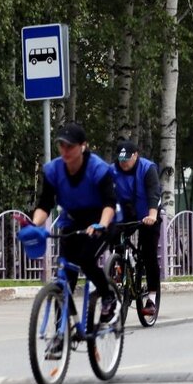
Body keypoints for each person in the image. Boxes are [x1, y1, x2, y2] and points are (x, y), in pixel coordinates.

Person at [27, 122, 119, 355]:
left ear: (83, 146)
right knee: (64, 278)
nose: (65, 151)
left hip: (100, 221)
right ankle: (60, 335)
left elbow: (109, 204)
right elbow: (44, 204)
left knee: (86, 260)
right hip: (72, 222)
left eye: (70, 146)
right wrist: (33, 225)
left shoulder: (99, 169)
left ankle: (109, 297)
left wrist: (100, 224)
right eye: (61, 145)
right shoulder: (53, 170)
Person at [112, 139, 162, 316]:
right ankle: (118, 268)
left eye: (127, 159)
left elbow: (154, 193)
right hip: (126, 214)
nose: (123, 163)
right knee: (112, 234)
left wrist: (153, 216)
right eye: (121, 159)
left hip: (148, 213)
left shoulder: (148, 169)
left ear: (136, 155)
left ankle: (152, 299)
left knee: (149, 255)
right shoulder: (113, 171)